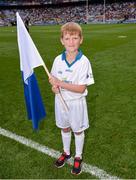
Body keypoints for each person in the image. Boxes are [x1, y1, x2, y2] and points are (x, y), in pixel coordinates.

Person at [49, 22, 94, 175]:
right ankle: (66, 152)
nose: (71, 42)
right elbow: (53, 81)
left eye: (74, 38)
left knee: (78, 130)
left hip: (76, 103)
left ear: (81, 39)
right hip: (60, 101)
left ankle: (78, 156)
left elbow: (82, 88)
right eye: (67, 38)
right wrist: (54, 87)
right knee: (64, 127)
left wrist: (60, 83)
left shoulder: (84, 61)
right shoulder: (57, 60)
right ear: (62, 40)